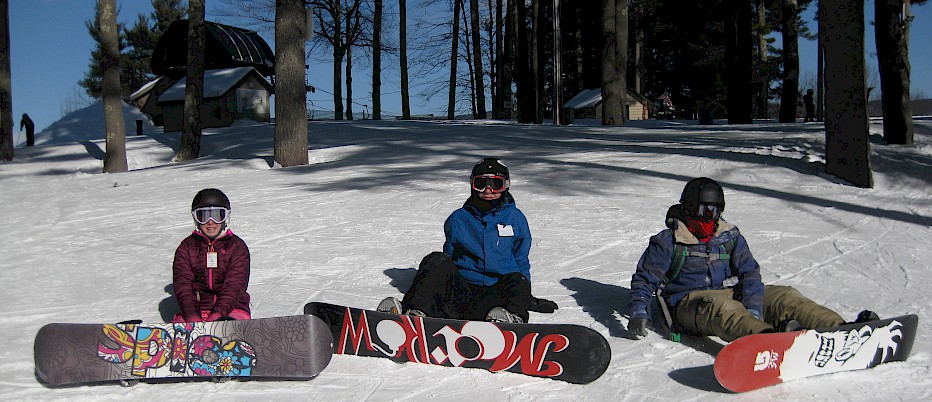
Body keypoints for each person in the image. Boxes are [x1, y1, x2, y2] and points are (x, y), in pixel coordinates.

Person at [627, 177, 876, 342]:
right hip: (687, 303)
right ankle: (769, 340)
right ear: (688, 209)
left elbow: (750, 274)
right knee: (724, 309)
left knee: (784, 295)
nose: (708, 218)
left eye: (714, 211)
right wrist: (639, 311)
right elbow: (644, 280)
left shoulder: (729, 237)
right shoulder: (668, 241)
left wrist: (755, 308)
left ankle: (842, 330)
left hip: (725, 293)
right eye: (702, 211)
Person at [377, 158, 557, 323]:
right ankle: (413, 314)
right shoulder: (458, 219)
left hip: (494, 296)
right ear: (472, 185)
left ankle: (510, 320)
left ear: (506, 186)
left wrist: (527, 298)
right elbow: (447, 261)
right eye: (481, 184)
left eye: (496, 184)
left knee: (518, 278)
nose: (488, 190)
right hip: (461, 294)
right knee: (436, 260)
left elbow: (521, 259)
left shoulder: (515, 219)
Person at [172, 188, 252, 323]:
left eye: (217, 215)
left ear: (225, 217)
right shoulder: (186, 247)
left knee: (228, 326)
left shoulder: (237, 247)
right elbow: (183, 285)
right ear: (196, 219)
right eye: (203, 216)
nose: (210, 222)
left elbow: (235, 285)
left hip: (232, 309)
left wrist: (218, 314)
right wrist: (192, 316)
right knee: (180, 332)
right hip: (197, 311)